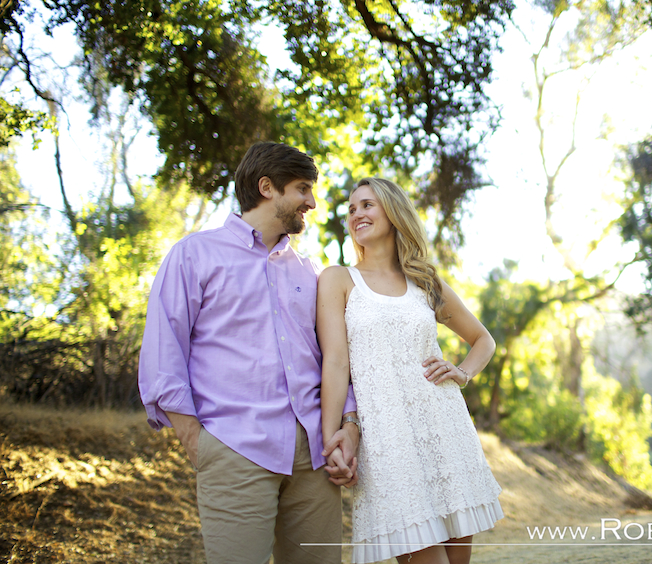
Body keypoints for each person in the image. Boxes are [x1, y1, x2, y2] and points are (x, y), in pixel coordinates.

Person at [138, 142, 360, 564]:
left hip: (314, 460)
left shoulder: (311, 272)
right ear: (266, 188)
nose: (312, 203)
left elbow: (334, 359)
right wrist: (195, 440)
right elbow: (162, 353)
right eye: (302, 189)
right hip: (234, 449)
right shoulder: (194, 254)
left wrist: (348, 425)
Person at [318, 177, 503, 564]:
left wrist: (462, 373)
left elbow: (483, 339)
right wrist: (332, 437)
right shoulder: (338, 279)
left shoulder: (425, 280)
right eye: (351, 209)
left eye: (366, 205)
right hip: (389, 444)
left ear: (392, 210)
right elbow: (335, 363)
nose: (356, 215)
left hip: (444, 429)